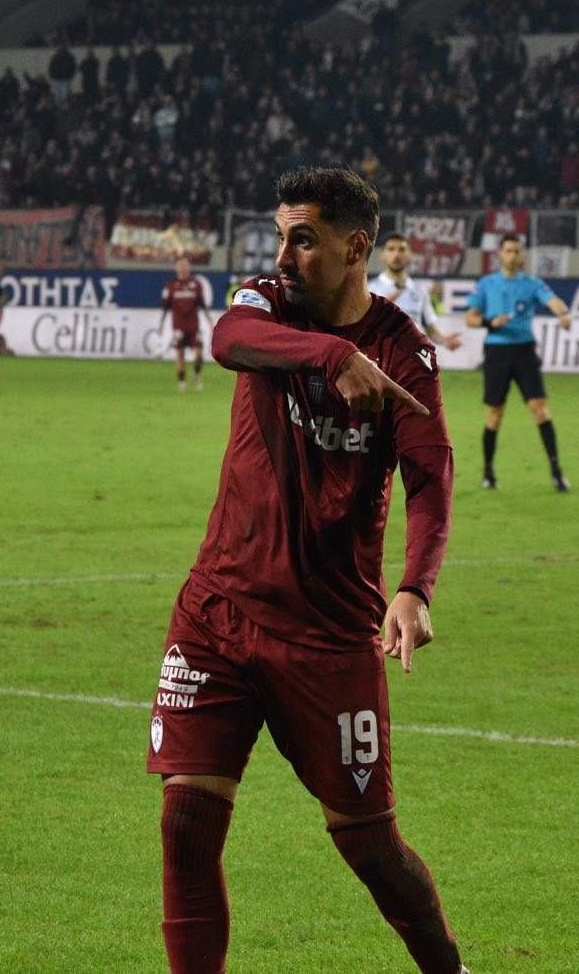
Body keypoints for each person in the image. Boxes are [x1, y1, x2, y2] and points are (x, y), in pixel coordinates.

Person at [147, 167, 468, 974]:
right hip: (218, 611)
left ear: (356, 248)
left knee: (371, 847)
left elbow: (430, 477)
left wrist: (414, 587)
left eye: (304, 239)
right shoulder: (267, 303)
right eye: (280, 237)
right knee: (186, 824)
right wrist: (331, 354)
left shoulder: (406, 354)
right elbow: (227, 339)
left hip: (328, 635)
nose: (283, 256)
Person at [464, 234, 573, 491]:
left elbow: (553, 300)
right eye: (508, 251)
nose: (512, 255)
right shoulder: (487, 284)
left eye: (516, 251)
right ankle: (488, 473)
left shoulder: (532, 283)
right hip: (497, 352)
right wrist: (490, 322)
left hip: (524, 352)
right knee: (495, 414)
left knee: (540, 409)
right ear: (500, 255)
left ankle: (556, 471)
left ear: (522, 255)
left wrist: (564, 313)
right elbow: (470, 318)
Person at [369, 234, 463, 351]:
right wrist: (380, 308)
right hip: (382, 355)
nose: (396, 254)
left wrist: (443, 340)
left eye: (402, 249)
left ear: (409, 255)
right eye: (391, 249)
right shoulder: (370, 289)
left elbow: (429, 328)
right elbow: (363, 327)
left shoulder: (420, 290)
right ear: (382, 254)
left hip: (413, 355)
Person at [157, 257, 214, 392]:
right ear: (176, 267)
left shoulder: (196, 284)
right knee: (180, 354)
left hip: (193, 326)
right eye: (180, 265)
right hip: (178, 326)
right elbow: (165, 307)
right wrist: (161, 324)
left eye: (185, 264)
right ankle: (182, 382)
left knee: (199, 354)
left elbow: (202, 305)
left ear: (189, 267)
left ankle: (196, 373)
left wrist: (210, 322)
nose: (182, 267)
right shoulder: (171, 285)